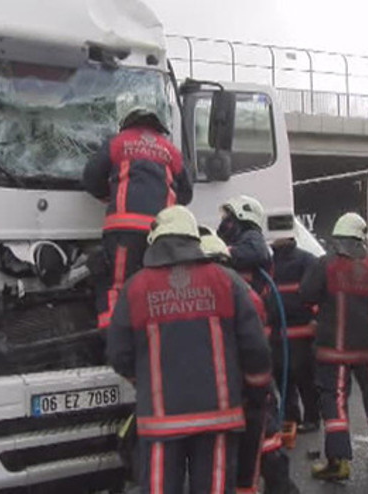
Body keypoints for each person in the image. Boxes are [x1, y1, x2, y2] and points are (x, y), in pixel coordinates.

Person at [106, 206, 271, 494]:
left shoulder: (135, 288)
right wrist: (256, 393)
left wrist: (144, 381)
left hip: (160, 421)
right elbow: (255, 348)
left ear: (154, 241)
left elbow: (119, 354)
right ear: (195, 238)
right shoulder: (227, 282)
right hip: (219, 417)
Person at [300, 212, 368, 481]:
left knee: (335, 401)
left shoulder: (325, 265)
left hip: (333, 351)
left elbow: (306, 294)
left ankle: (338, 461)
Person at [203, 220, 298, 494]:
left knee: (249, 443)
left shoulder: (228, 290)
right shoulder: (243, 290)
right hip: (247, 382)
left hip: (227, 385)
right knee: (263, 439)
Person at [82, 107, 193, 330]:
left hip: (125, 231)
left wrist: (107, 195)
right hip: (163, 235)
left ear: (127, 125)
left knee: (119, 287)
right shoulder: (170, 150)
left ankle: (114, 340)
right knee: (161, 287)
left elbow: (91, 178)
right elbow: (187, 193)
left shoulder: (118, 142)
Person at [267, 227, 320, 433]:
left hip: (302, 332)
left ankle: (312, 417)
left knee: (305, 378)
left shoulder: (307, 261)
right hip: (278, 333)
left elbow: (316, 293)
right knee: (282, 378)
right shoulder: (269, 263)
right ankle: (291, 418)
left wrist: (315, 318)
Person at [217, 196, 273, 297]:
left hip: (249, 301)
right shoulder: (232, 240)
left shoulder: (252, 236)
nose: (223, 221)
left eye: (228, 218)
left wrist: (228, 253)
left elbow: (258, 252)